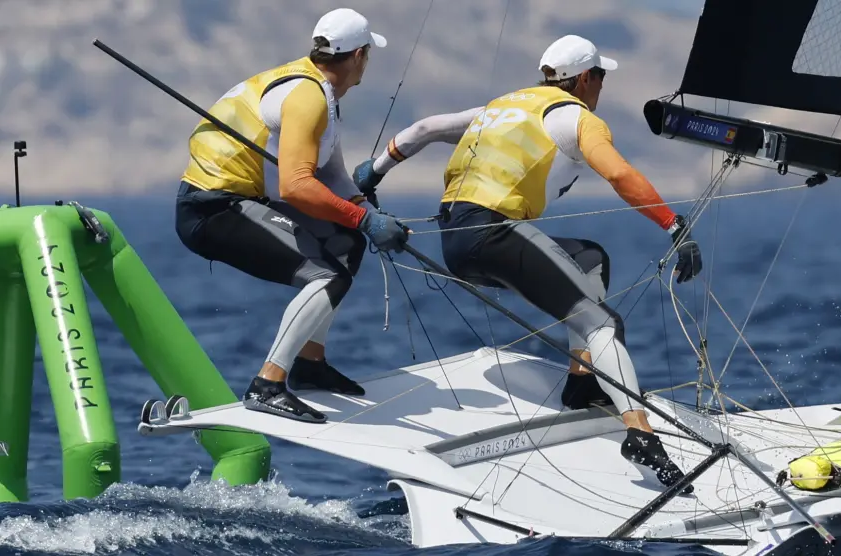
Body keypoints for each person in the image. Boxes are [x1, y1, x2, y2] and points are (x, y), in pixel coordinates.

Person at [350, 35, 703, 492]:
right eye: (599, 77)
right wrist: (675, 226)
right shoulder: (577, 117)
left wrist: (374, 172)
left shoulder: (502, 107)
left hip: (455, 242)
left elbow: (422, 130)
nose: (601, 87)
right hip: (494, 234)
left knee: (591, 259)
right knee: (605, 326)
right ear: (583, 79)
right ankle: (639, 432)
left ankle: (582, 383)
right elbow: (618, 174)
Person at [174, 8, 409, 424]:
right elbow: (296, 187)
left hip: (238, 198)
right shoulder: (308, 97)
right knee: (328, 274)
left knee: (345, 242)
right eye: (368, 54)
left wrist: (367, 215)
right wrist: (366, 221)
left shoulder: (319, 92)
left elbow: (332, 175)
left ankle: (309, 364)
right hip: (211, 208)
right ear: (357, 55)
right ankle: (267, 383)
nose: (367, 63)